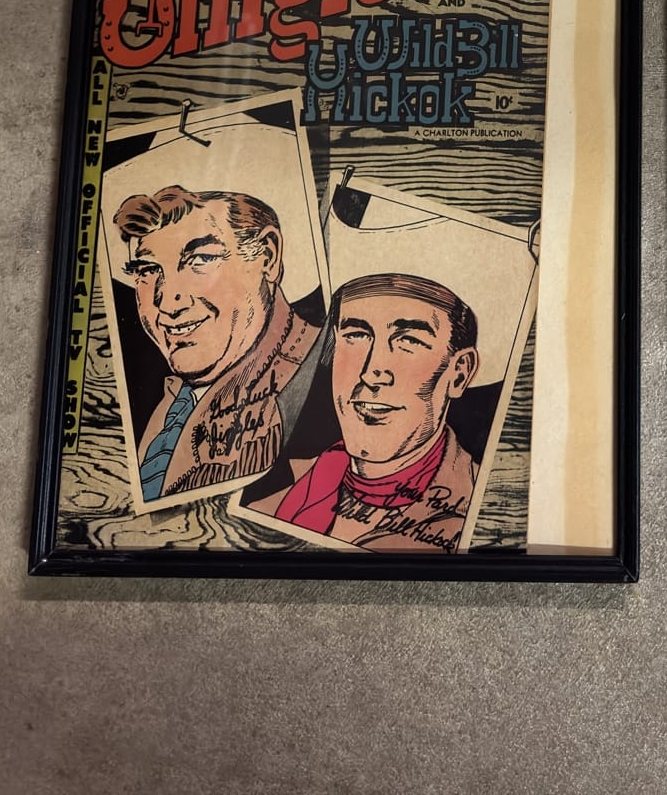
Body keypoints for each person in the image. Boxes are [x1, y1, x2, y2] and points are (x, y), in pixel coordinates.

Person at [113, 185, 320, 502]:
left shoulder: (314, 384)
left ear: (267, 257)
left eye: (200, 259)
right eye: (149, 269)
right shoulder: (174, 400)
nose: (167, 302)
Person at [247, 273, 480, 553]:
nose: (371, 373)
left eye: (409, 341)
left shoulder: (479, 514)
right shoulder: (268, 508)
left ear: (458, 374)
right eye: (356, 335)